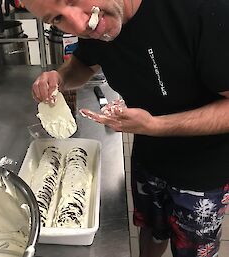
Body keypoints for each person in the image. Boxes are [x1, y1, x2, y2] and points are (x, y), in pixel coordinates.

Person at [22, 0, 229, 256]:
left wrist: (156, 125)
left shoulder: (202, 10)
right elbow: (83, 64)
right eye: (56, 19)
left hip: (202, 172)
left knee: (193, 251)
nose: (78, 24)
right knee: (152, 230)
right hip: (148, 158)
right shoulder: (97, 21)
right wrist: (61, 78)